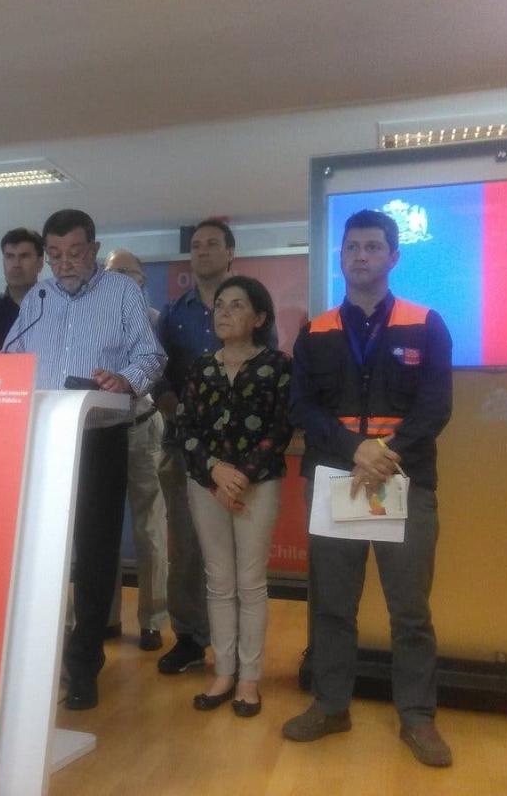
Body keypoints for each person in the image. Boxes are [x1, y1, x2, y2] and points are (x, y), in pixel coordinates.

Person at [283, 209, 454, 767]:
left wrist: (385, 453)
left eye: (373, 246)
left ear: (393, 256)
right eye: (352, 246)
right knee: (332, 605)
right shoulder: (316, 331)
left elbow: (435, 408)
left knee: (410, 611)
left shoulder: (426, 323)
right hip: (336, 480)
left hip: (405, 482)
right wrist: (356, 448)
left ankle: (417, 718)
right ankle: (331, 706)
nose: (361, 255)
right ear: (340, 257)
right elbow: (302, 407)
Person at [4, 210, 165, 710]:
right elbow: (9, 359)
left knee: (94, 553)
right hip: (42, 439)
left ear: (93, 249)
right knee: (42, 547)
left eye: (74, 253)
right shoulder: (38, 298)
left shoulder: (122, 292)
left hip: (99, 435)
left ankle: (84, 663)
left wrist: (125, 380)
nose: (64, 263)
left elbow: (151, 356)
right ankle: (39, 654)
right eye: (54, 255)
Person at [176, 276, 292, 716]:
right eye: (220, 305)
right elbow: (185, 428)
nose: (224, 313)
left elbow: (280, 429)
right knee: (219, 581)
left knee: (251, 582)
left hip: (256, 486)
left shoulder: (278, 366)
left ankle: (249, 678)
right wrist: (214, 471)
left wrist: (239, 476)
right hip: (206, 483)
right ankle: (223, 672)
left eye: (236, 305)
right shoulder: (200, 368)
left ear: (259, 318)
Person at [153, 218, 235, 674]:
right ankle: (188, 638)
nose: (202, 251)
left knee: (233, 549)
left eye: (212, 244)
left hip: (235, 450)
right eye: (196, 245)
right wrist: (171, 405)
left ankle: (234, 643)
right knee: (185, 548)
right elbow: (156, 370)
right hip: (182, 446)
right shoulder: (174, 313)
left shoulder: (247, 304)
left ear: (230, 253)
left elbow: (267, 366)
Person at [103, 249, 169, 651]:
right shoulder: (96, 321)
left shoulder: (157, 321)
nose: (118, 279)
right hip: (102, 432)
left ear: (142, 280)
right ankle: (106, 617)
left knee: (151, 529)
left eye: (126, 272)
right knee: (102, 528)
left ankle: (153, 620)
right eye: (111, 273)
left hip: (144, 428)